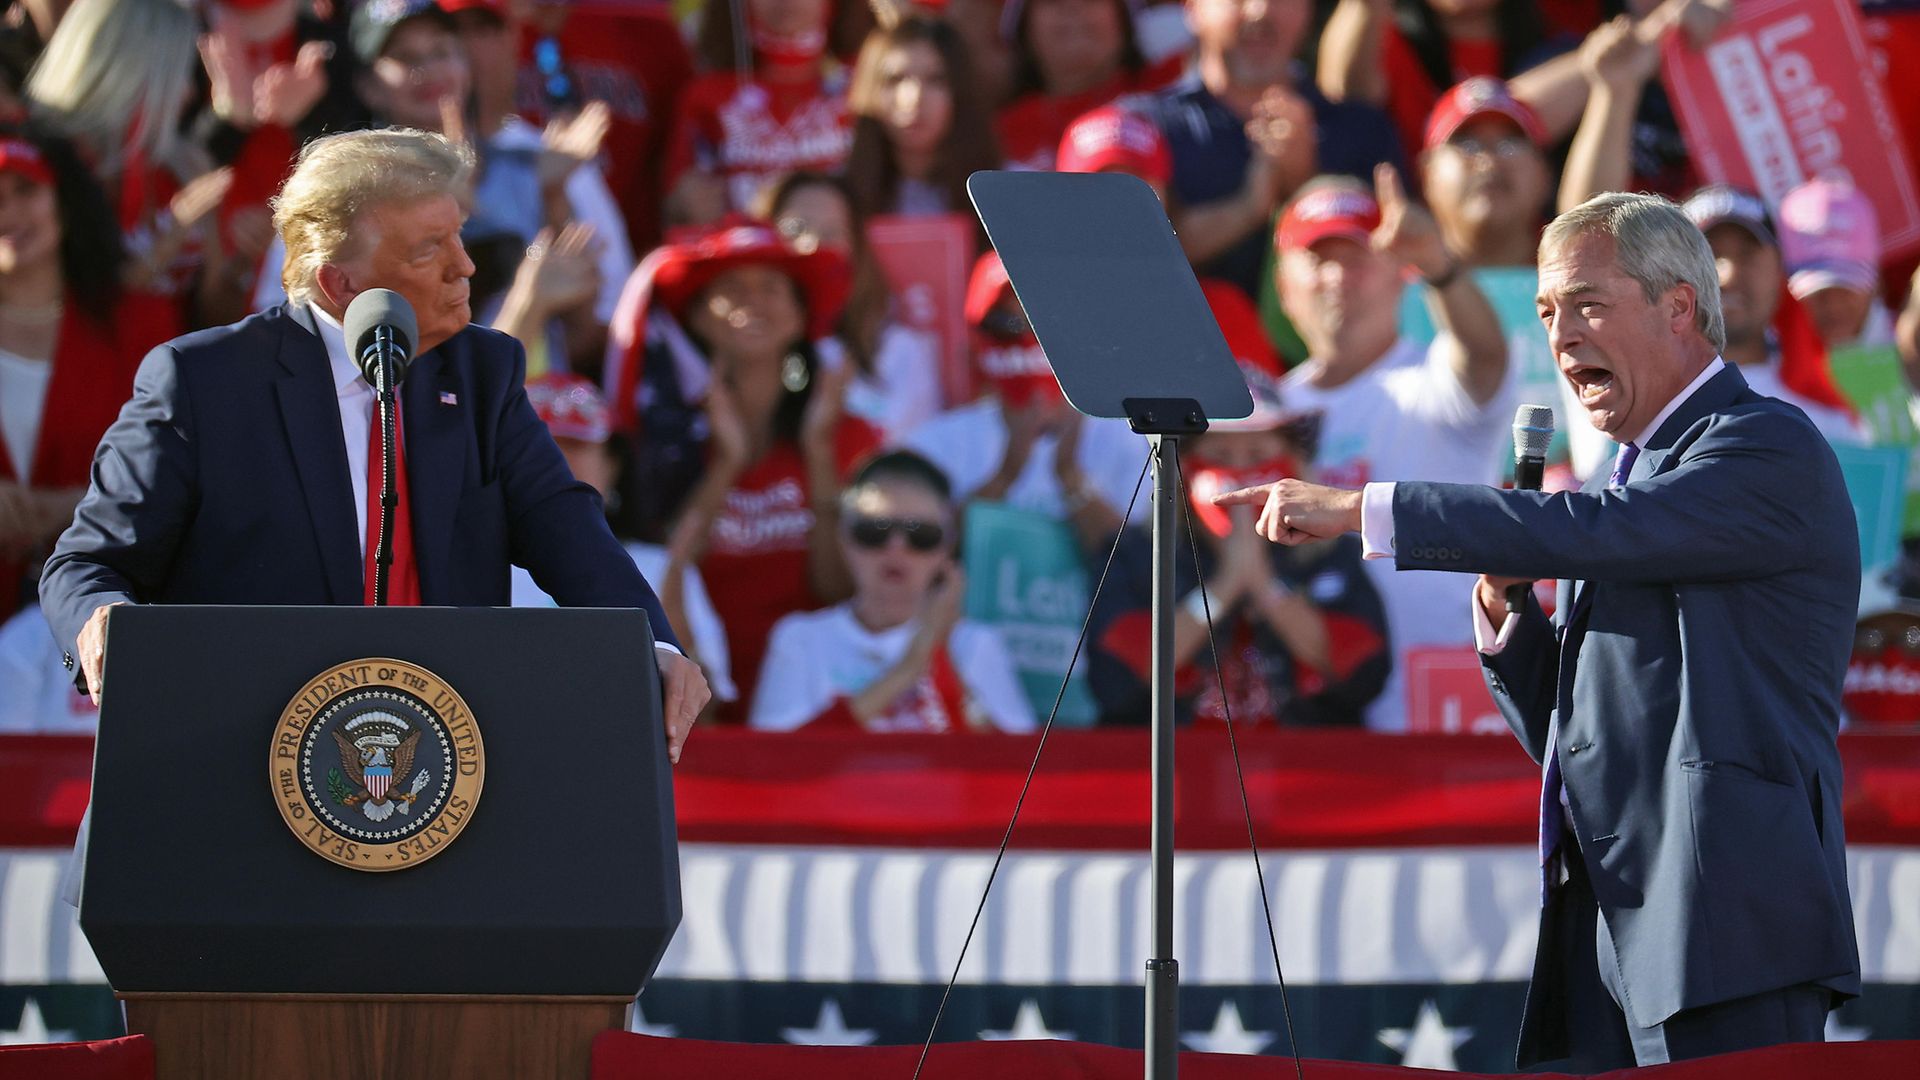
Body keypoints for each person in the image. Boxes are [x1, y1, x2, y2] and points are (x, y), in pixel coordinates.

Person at [1218, 191, 1860, 1070]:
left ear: (1679, 306)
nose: (1561, 336)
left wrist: (1366, 508)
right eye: (1551, 311)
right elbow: (1580, 736)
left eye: (1590, 304)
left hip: (1729, 921)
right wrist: (1507, 617)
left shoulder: (1760, 445)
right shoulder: (1640, 483)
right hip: (1616, 927)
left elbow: (1601, 530)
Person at [39, 128, 709, 767]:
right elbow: (86, 565)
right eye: (428, 250)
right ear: (341, 284)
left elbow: (568, 529)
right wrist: (103, 623)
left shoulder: (482, 373)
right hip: (235, 763)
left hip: (436, 776)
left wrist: (647, 644)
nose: (465, 267)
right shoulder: (203, 382)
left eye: (459, 236)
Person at [605, 220, 879, 721]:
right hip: (693, 706)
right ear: (697, 319)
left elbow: (840, 590)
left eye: (773, 287)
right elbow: (664, 574)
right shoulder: (664, 443)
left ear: (801, 316)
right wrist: (727, 465)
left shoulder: (850, 435)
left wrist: (818, 452)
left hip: (811, 706)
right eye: (730, 288)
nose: (753, 301)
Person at [1271, 169, 1510, 731]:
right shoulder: (1262, 415)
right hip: (1318, 720)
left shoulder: (1432, 384)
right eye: (1316, 257)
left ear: (1400, 272)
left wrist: (1442, 269)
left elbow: (1485, 357)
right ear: (1283, 288)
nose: (1336, 276)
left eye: (1355, 255)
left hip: (1445, 716)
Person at [1089, 379, 1388, 726]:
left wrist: (1265, 586)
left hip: (1303, 768)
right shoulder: (1136, 554)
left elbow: (1364, 673)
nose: (1242, 475)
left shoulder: (1333, 553)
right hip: (1184, 769)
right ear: (1183, 469)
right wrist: (1223, 587)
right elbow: (1116, 679)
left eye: (1258, 456)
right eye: (1219, 456)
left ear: (1293, 465)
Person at [0, 126, 179, 617]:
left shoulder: (143, 322)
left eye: (26, 190)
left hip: (99, 615)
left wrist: (83, 506)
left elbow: (179, 469)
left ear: (63, 199)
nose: (9, 213)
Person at [1132, 0, 1404, 299]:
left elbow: (1397, 260)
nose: (1260, 10)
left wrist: (1304, 180)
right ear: (1193, 9)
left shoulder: (1362, 129)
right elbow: (1127, 266)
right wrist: (1248, 207)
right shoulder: (1141, 128)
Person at [751, 450, 1035, 733]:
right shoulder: (800, 639)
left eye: (920, 535)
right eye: (875, 531)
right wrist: (909, 668)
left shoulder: (975, 644)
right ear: (843, 538)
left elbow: (1013, 767)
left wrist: (942, 655)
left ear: (946, 548)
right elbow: (776, 764)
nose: (896, 549)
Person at [513, 372, 738, 713]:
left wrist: (672, 585)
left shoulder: (662, 567)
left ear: (614, 465)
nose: (554, 463)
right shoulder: (461, 564)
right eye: (541, 447)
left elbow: (704, 720)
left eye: (575, 444)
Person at [903, 249, 1149, 549]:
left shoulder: (1133, 442)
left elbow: (1145, 570)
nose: (1027, 338)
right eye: (1005, 324)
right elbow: (911, 554)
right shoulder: (935, 445)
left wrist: (1071, 480)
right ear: (976, 340)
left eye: (1046, 325)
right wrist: (1003, 479)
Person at [761, 170, 943, 442]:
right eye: (794, 229)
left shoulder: (901, 352)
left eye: (831, 233)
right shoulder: (734, 345)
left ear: (857, 248)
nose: (811, 246)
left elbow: (910, 466)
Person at [1678, 185, 1863, 446]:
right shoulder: (1629, 401)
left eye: (1748, 254)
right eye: (1709, 253)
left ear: (1780, 271)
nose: (1728, 275)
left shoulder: (1828, 420)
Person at [664, 0, 851, 226]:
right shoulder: (704, 97)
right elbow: (673, 206)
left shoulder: (865, 84)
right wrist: (683, 205)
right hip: (743, 256)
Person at [844, 14, 1001, 222]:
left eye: (935, 80)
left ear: (961, 92)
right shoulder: (837, 197)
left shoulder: (1006, 191)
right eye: (895, 79)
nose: (914, 99)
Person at [993, 0, 1179, 171]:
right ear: (1024, 26)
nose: (1073, 7)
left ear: (1123, 19)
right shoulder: (996, 136)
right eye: (1052, 1)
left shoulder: (1176, 94)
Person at [1777, 175, 1900, 352]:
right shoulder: (1770, 359)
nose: (1833, 305)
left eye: (1846, 288)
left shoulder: (1913, 346)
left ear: (1876, 284)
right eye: (1818, 293)